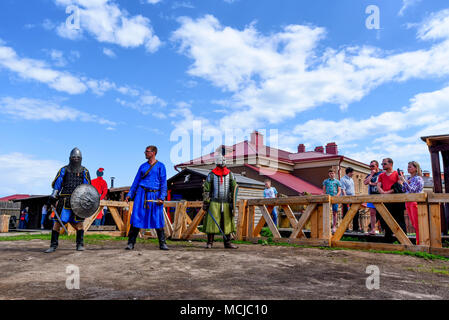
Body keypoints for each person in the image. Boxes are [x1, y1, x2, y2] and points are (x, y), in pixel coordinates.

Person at [45, 148, 91, 253]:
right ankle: (53, 245)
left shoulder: (85, 171)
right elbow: (57, 184)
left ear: (81, 159)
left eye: (77, 157)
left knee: (79, 224)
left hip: (78, 201)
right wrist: (53, 196)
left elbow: (87, 188)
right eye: (74, 157)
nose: (75, 158)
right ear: (70, 158)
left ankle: (80, 244)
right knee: (57, 223)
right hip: (64, 199)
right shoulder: (64, 170)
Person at [125, 145, 168, 251]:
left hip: (155, 195)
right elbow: (136, 181)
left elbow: (163, 183)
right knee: (137, 217)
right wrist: (130, 194)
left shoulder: (160, 166)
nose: (145, 153)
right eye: (145, 151)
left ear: (153, 153)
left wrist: (162, 197)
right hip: (141, 194)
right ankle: (131, 243)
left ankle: (162, 243)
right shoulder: (142, 166)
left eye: (147, 151)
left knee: (157, 217)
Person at [202, 152, 238, 249]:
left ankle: (227, 243)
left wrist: (233, 202)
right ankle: (209, 242)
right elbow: (206, 190)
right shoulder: (211, 174)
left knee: (227, 222)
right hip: (214, 202)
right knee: (212, 223)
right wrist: (206, 202)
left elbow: (234, 188)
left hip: (226, 202)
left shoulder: (230, 174)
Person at [377, 158, 407, 243]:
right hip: (386, 200)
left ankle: (403, 240)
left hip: (396, 200)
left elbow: (399, 185)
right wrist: (382, 192)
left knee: (399, 219)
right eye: (382, 164)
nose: (382, 165)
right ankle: (388, 239)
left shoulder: (397, 173)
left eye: (384, 164)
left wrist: (387, 192)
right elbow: (378, 185)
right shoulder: (381, 175)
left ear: (390, 164)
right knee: (386, 219)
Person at [399, 161, 424, 244]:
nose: (408, 168)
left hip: (414, 201)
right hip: (408, 201)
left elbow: (412, 190)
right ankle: (419, 241)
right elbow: (403, 190)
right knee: (413, 223)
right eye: (408, 166)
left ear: (416, 168)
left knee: (417, 223)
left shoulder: (418, 178)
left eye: (410, 167)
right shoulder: (409, 179)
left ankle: (420, 242)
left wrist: (404, 181)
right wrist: (402, 182)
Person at [364, 160, 382, 235]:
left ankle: (385, 229)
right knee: (372, 213)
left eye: (373, 166)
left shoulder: (381, 174)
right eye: (370, 166)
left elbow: (380, 183)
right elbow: (365, 182)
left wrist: (371, 183)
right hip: (371, 196)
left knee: (382, 213)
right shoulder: (369, 175)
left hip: (380, 196)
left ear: (377, 166)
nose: (371, 167)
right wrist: (371, 175)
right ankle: (373, 229)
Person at [340, 167, 360, 232]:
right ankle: (345, 228)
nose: (353, 174)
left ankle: (355, 228)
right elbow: (343, 190)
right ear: (349, 172)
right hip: (346, 199)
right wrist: (346, 199)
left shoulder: (351, 179)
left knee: (355, 212)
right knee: (345, 213)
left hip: (353, 198)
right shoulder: (343, 179)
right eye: (352, 172)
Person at [322, 169, 341, 234]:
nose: (331, 174)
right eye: (330, 173)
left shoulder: (337, 181)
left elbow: (339, 190)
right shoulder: (326, 181)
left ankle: (334, 226)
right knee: (327, 212)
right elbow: (324, 190)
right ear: (328, 174)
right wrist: (325, 196)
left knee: (334, 212)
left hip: (335, 197)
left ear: (334, 174)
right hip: (328, 197)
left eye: (332, 173)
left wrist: (336, 196)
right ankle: (327, 226)